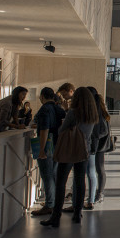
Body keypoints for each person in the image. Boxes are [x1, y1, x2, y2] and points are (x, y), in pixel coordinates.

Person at [40, 87, 98, 227]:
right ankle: (77, 214)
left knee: (61, 181)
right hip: (84, 150)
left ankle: (56, 216)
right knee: (79, 181)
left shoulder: (73, 113)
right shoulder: (92, 114)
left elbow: (62, 130)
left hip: (70, 150)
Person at [31, 88, 66, 216]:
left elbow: (44, 129)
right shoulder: (59, 109)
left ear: (42, 96)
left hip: (47, 146)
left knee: (47, 176)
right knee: (54, 175)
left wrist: (41, 149)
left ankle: (49, 204)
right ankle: (54, 202)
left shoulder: (45, 109)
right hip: (58, 145)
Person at [90, 87, 111, 204]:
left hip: (98, 145)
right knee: (97, 169)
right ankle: (98, 193)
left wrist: (93, 136)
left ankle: (99, 193)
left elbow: (104, 130)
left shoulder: (98, 111)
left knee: (99, 168)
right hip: (98, 144)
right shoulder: (99, 109)